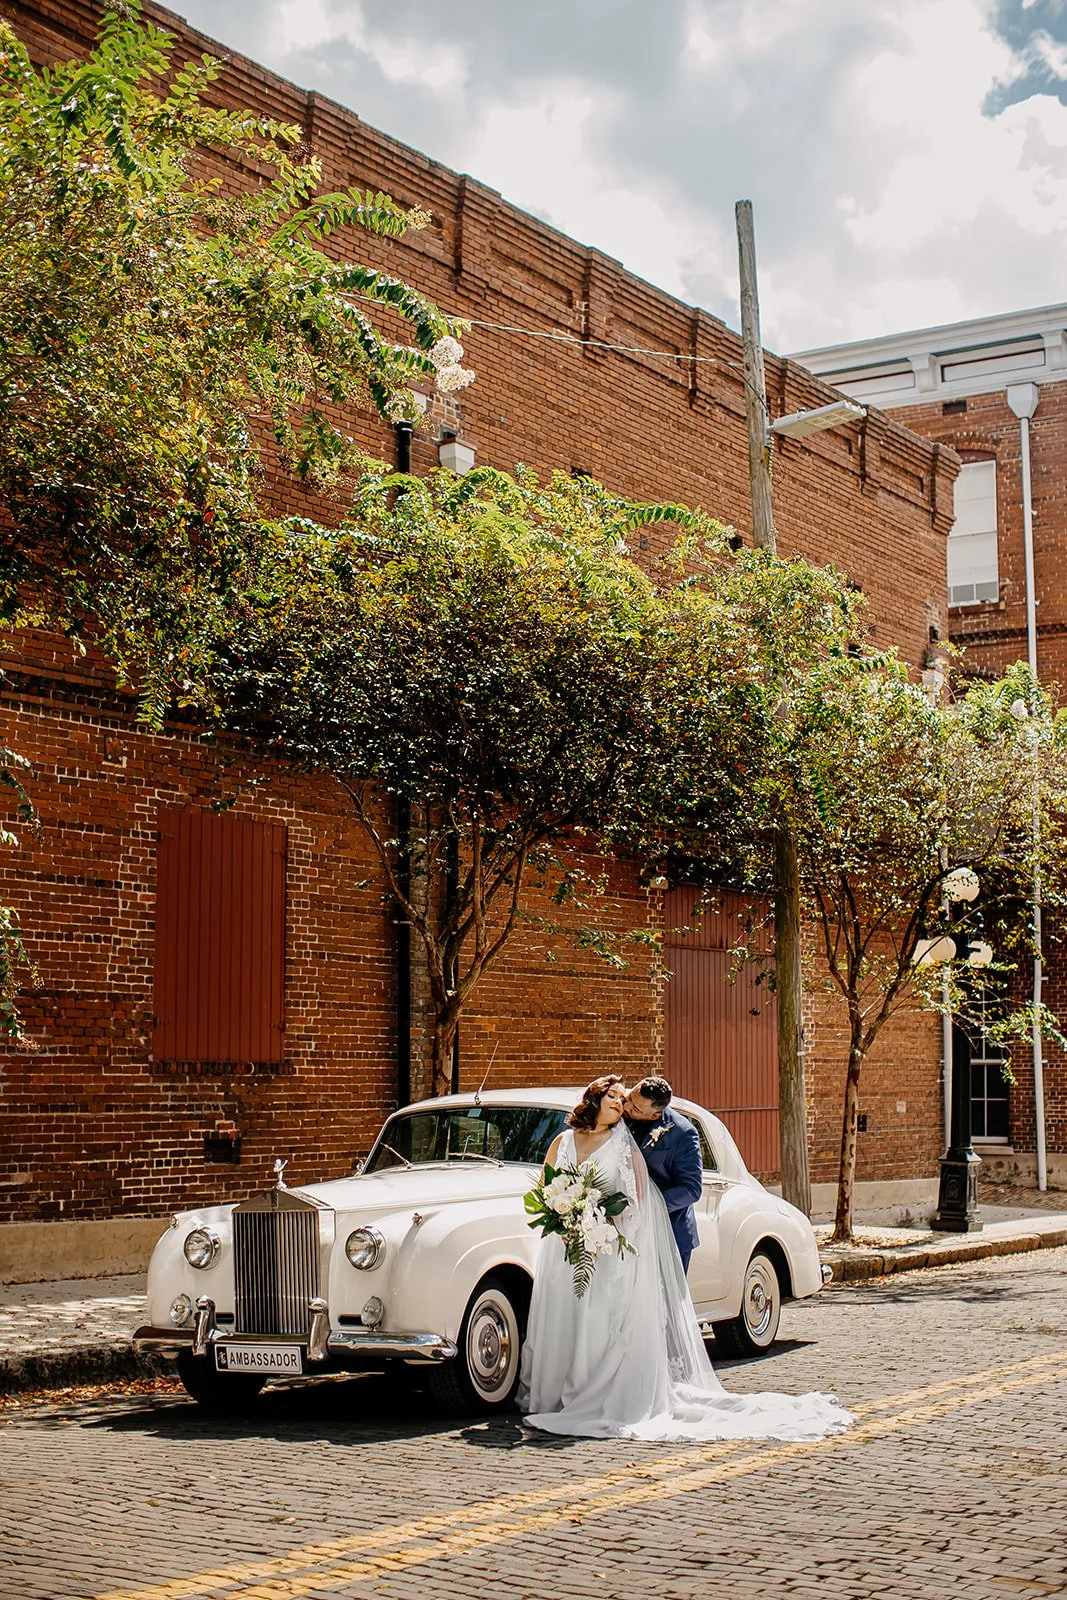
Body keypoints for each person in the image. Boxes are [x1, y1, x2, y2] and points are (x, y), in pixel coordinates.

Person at [518, 1073, 852, 1442]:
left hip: (648, 1234)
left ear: (656, 1111)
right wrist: (567, 1216)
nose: (624, 1107)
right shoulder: (589, 1132)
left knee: (647, 1317)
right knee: (576, 1314)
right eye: (620, 1099)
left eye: (630, 1104)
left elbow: (683, 1189)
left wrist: (616, 1218)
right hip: (575, 1240)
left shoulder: (676, 1132)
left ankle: (642, 1383)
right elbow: (548, 1184)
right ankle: (568, 1383)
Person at [623, 1076, 702, 1274]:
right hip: (629, 1235)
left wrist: (647, 1206)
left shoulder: (683, 1133)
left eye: (636, 1108)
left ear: (654, 1116)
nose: (627, 1107)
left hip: (670, 1234)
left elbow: (691, 1189)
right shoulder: (619, 1116)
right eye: (630, 1097)